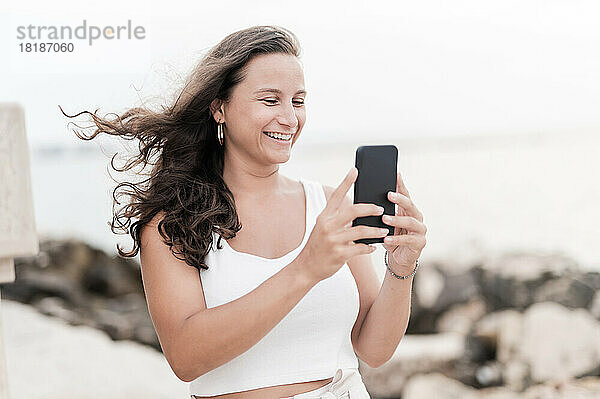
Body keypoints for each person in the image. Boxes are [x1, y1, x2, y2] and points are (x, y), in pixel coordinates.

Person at [62, 25, 427, 399]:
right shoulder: (172, 223)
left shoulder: (330, 206)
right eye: (270, 100)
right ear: (220, 107)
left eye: (298, 101)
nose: (289, 118)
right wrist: (306, 268)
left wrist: (400, 268)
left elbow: (374, 350)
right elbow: (185, 357)